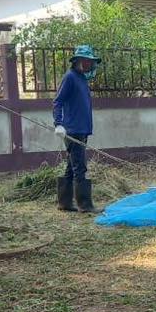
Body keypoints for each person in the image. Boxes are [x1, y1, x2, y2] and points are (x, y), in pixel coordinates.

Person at [53, 44, 100, 213]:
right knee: (80, 167)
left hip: (82, 128)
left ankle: (64, 202)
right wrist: (58, 123)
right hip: (72, 129)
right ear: (77, 61)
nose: (88, 64)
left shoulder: (82, 79)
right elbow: (58, 101)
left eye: (90, 62)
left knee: (71, 166)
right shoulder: (70, 77)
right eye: (85, 61)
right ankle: (85, 205)